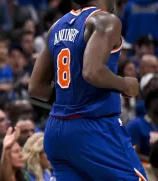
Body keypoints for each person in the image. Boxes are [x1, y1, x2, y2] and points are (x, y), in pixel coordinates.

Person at [28, 0, 147, 180]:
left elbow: (36, 88)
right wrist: (125, 84)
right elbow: (92, 72)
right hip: (93, 126)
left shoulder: (57, 27)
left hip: (56, 130)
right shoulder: (105, 20)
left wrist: (72, 96)